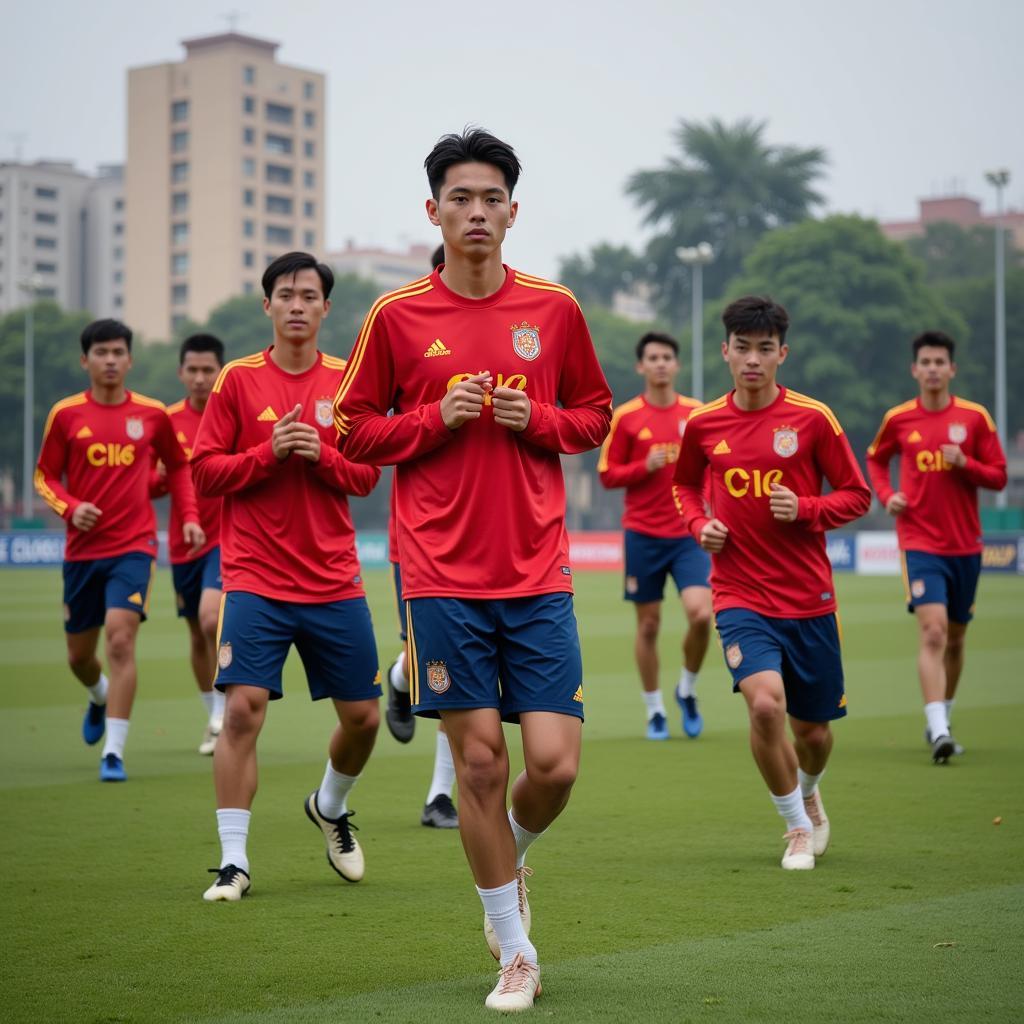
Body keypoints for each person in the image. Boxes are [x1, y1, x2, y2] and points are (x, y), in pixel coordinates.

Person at [333, 129, 612, 1011]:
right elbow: (353, 430)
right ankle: (515, 948)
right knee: (482, 766)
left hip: (537, 571)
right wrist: (431, 419)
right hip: (440, 575)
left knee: (555, 766)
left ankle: (507, 863)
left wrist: (539, 421)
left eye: (493, 198)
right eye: (461, 198)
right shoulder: (396, 316)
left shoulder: (556, 310)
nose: (478, 212)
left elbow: (595, 416)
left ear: (514, 211)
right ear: (434, 211)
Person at [191, 252, 382, 902]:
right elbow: (204, 472)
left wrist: (323, 456)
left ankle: (329, 806)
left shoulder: (348, 382)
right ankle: (234, 863)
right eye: (285, 294)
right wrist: (264, 456)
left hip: (334, 581)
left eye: (308, 295)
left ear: (327, 308)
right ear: (266, 306)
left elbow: (366, 476)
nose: (296, 305)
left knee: (364, 719)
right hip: (254, 580)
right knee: (241, 714)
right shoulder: (236, 383)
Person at [673, 296, 870, 871]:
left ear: (782, 353)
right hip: (738, 595)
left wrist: (806, 507)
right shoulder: (705, 423)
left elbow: (857, 495)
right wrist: (698, 523)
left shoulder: (813, 419)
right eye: (742, 348)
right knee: (764, 707)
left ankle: (809, 788)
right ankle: (796, 828)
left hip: (809, 599)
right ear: (725, 351)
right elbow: (684, 486)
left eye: (765, 349)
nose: (752, 359)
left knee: (813, 733)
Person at [35, 318, 203, 782]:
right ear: (85, 360)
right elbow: (44, 477)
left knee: (121, 638)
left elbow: (180, 466)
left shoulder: (152, 415)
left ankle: (114, 752)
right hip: (82, 552)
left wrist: (187, 516)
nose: (110, 360)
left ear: (130, 359)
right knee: (79, 658)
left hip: (135, 546)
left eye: (118, 352)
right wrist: (70, 508)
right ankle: (98, 695)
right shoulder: (66, 414)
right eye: (101, 352)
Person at [866, 330, 1007, 763]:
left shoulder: (975, 418)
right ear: (914, 369)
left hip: (965, 543)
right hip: (918, 541)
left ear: (951, 369)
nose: (931, 369)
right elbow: (875, 457)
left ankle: (940, 718)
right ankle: (941, 729)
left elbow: (999, 476)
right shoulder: (898, 419)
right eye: (924, 362)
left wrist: (966, 464)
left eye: (939, 362)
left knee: (958, 639)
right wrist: (887, 494)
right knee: (933, 631)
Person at [598, 331, 711, 740]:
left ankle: (687, 689)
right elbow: (607, 474)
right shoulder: (626, 416)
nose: (661, 363)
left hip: (688, 534)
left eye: (667, 356)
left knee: (701, 614)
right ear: (641, 366)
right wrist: (643, 466)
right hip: (643, 535)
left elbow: (713, 469)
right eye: (653, 357)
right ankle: (655, 711)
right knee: (648, 627)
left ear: (677, 365)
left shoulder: (698, 414)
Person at [383, 241, 460, 829]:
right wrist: (437, 417)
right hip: (421, 542)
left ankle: (440, 795)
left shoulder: (523, 323)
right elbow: (363, 434)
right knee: (428, 663)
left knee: (471, 681)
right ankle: (399, 676)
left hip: (502, 549)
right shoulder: (405, 326)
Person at [151, 333, 227, 755]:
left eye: (208, 370)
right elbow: (145, 481)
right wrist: (165, 476)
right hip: (183, 545)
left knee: (211, 619)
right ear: (181, 373)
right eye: (192, 370)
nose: (200, 378)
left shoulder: (231, 410)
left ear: (220, 371)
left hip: (226, 536)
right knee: (196, 635)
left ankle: (223, 715)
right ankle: (214, 714)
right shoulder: (165, 421)